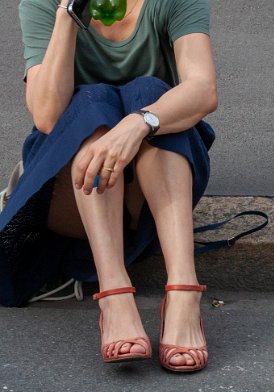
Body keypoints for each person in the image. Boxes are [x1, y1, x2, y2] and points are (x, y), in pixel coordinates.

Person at [1, 0, 218, 372]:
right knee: (91, 101)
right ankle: (114, 296)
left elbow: (203, 89)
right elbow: (47, 116)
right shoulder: (43, 3)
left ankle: (183, 291)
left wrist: (138, 123)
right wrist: (68, 19)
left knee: (150, 91)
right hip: (71, 190)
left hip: (148, 192)